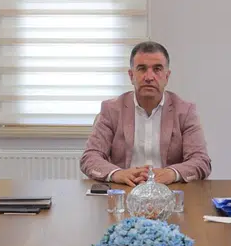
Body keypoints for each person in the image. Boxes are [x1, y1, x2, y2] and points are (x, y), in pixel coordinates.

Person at [80, 41, 212, 185]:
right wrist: (118, 174)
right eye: (142, 69)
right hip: (126, 189)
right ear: (131, 75)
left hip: (168, 190)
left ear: (167, 76)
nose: (149, 77)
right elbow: (90, 157)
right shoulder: (111, 110)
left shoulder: (185, 111)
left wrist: (172, 173)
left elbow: (201, 161)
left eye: (157, 69)